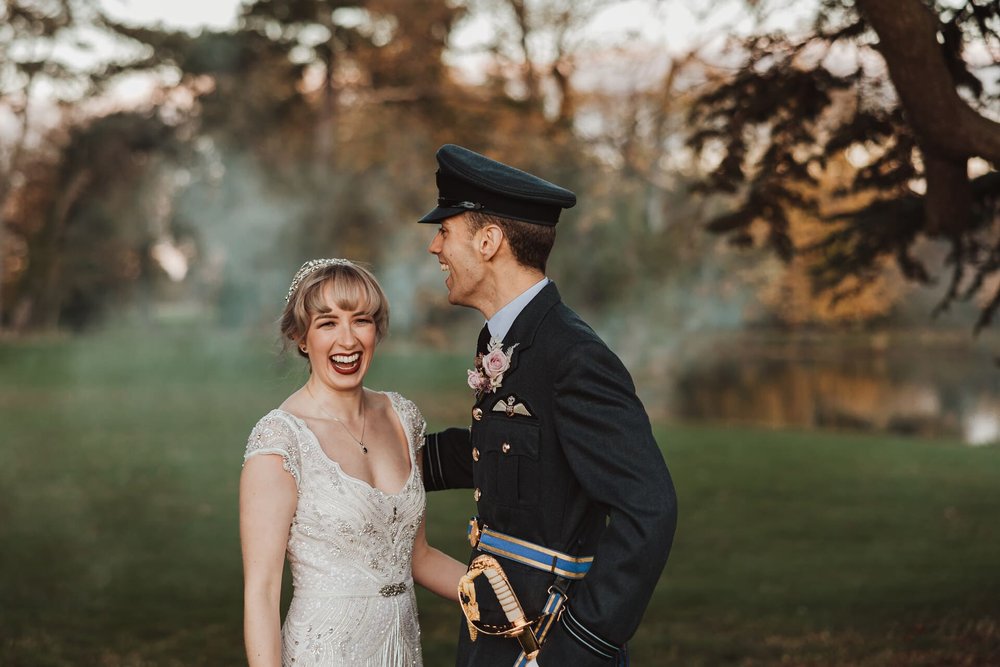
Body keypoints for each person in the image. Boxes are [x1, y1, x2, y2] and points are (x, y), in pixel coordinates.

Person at [418, 145, 678, 667]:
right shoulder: (510, 338)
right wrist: (387, 455)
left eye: (445, 229)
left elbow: (648, 507)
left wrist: (582, 645)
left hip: (547, 641)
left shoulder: (573, 355)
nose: (434, 246)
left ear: (488, 242)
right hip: (498, 626)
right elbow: (524, 453)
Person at [240, 258, 467, 667]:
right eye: (327, 323)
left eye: (361, 321)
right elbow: (262, 590)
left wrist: (501, 602)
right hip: (323, 651)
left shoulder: (402, 417)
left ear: (376, 331)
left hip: (402, 649)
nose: (348, 340)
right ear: (301, 338)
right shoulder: (280, 439)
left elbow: (418, 557)